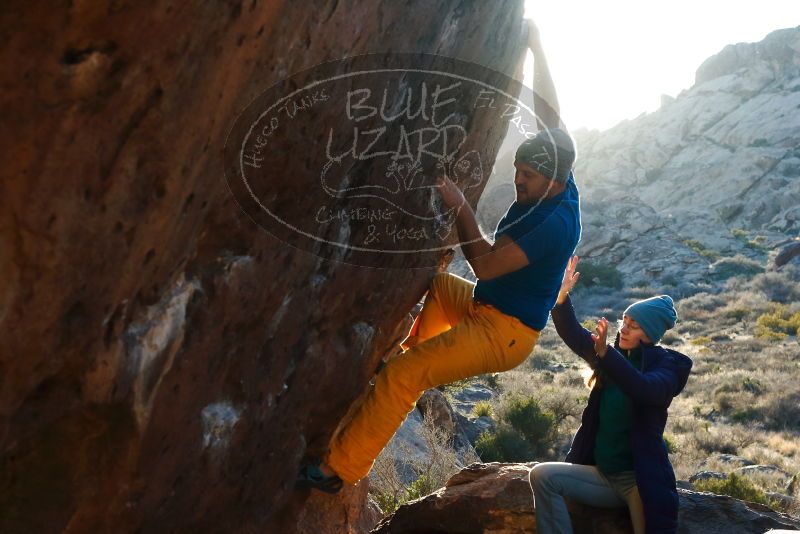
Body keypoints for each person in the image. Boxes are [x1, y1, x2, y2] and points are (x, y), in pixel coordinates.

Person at [296, 20, 581, 494]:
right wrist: (535, 46)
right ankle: (405, 363)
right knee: (432, 280)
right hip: (479, 306)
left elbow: (486, 264)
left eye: (526, 176)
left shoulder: (555, 224)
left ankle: (336, 471)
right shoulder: (561, 167)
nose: (517, 180)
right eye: (517, 169)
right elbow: (550, 112)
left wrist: (463, 208)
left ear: (551, 182)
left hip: (504, 334)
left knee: (406, 376)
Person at [529, 256, 692, 534]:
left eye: (634, 325)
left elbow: (644, 389)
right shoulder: (611, 355)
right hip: (602, 477)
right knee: (542, 476)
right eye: (624, 321)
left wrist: (606, 355)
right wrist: (561, 296)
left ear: (650, 333)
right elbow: (575, 335)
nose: (624, 329)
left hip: (640, 483)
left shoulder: (668, 366)